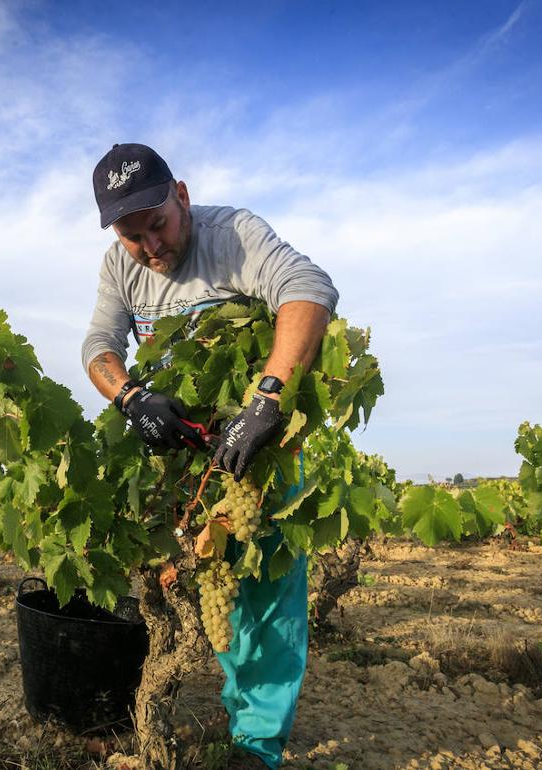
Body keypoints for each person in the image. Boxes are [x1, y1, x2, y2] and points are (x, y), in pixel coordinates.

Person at [82, 144, 338, 770]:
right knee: (197, 580)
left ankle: (257, 745)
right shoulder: (121, 265)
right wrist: (131, 396)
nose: (150, 247)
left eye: (158, 225)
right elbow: (98, 345)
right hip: (181, 461)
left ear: (183, 196)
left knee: (266, 589)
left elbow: (309, 289)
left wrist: (268, 397)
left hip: (259, 444)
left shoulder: (235, 235)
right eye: (132, 235)